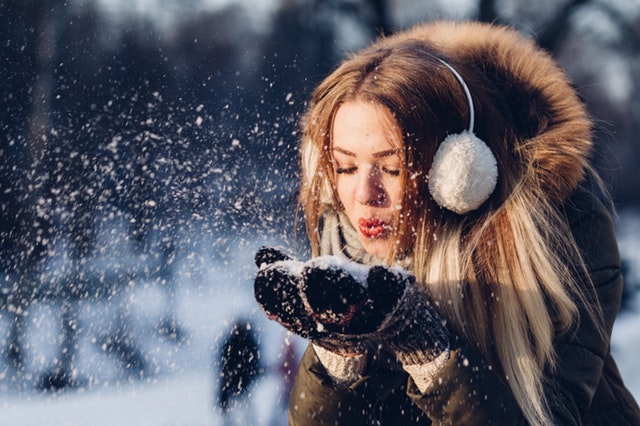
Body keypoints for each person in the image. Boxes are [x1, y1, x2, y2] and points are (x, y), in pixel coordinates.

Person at [253, 20, 640, 425]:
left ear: (457, 171)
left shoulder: (563, 236)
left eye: (391, 167)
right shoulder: (345, 242)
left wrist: (428, 350)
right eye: (345, 167)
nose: (365, 195)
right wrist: (339, 355)